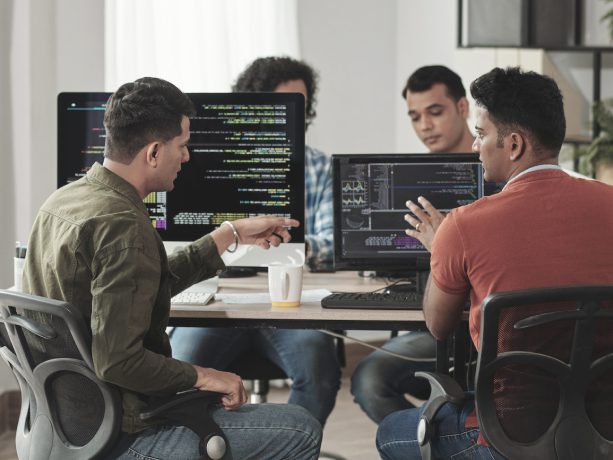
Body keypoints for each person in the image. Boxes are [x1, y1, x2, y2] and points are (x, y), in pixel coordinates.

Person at [21, 77, 322, 460]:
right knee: (300, 428)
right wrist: (209, 375)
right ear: (153, 152)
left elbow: (142, 285)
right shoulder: (124, 226)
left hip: (63, 425)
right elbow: (120, 361)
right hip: (120, 434)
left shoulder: (64, 201)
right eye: (182, 146)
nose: (188, 157)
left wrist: (228, 234)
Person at [376, 66, 613, 459]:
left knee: (391, 433)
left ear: (515, 144)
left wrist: (441, 248)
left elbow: (437, 324)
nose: (475, 146)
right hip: (605, 427)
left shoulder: (463, 225)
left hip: (508, 434)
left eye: (482, 134)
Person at [170, 56, 341, 427]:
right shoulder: (201, 165)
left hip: (288, 306)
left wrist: (292, 245)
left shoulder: (317, 167)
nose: (295, 115)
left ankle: (286, 447)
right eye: (283, 106)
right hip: (214, 303)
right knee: (177, 367)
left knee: (320, 367)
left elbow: (332, 243)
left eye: (302, 106)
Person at [351, 65, 474, 424]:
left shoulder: (494, 172)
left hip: (488, 326)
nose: (424, 126)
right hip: (429, 322)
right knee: (368, 379)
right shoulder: (410, 179)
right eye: (415, 116)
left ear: (463, 107)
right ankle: (431, 444)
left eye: (435, 112)